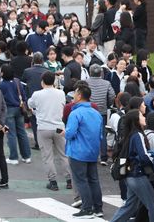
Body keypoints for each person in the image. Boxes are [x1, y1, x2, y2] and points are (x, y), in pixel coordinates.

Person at [110, 110, 154, 222]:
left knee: (130, 206)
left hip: (129, 175)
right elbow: (144, 156)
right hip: (138, 175)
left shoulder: (130, 135)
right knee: (153, 204)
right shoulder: (138, 135)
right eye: (141, 116)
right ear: (136, 120)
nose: (144, 117)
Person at [28, 71, 72, 191]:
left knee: (48, 156)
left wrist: (36, 112)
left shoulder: (37, 94)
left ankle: (53, 182)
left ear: (42, 82)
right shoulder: (61, 93)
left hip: (43, 128)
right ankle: (69, 180)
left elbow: (30, 104)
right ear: (54, 81)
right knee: (63, 155)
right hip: (58, 127)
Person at [65, 84, 104, 218]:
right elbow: (100, 134)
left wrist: (65, 133)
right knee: (93, 180)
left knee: (81, 180)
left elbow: (70, 133)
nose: (73, 96)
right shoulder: (96, 113)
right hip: (93, 151)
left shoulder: (75, 113)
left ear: (80, 95)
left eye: (75, 93)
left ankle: (87, 208)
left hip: (78, 151)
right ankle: (98, 208)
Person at [0, 65, 32, 165]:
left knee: (10, 134)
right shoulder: (17, 81)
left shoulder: (1, 85)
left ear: (2, 73)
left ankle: (13, 157)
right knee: (22, 132)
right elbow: (24, 95)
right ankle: (26, 156)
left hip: (8, 111)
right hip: (19, 109)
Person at [86, 64, 116, 165]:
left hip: (88, 110)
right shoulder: (106, 83)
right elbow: (112, 95)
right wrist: (108, 104)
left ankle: (89, 154)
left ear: (90, 72)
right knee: (102, 132)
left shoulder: (86, 83)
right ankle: (103, 157)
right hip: (102, 111)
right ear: (101, 73)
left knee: (88, 131)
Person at [21, 52, 49, 149]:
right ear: (42, 60)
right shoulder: (47, 71)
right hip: (45, 99)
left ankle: (38, 143)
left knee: (34, 122)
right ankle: (46, 141)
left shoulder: (27, 71)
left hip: (31, 99)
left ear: (33, 60)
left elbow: (23, 81)